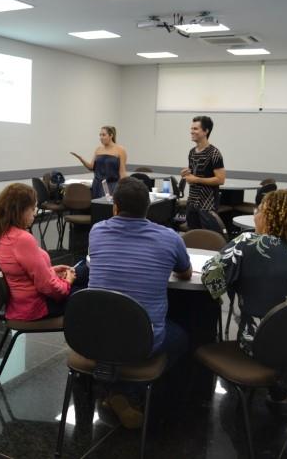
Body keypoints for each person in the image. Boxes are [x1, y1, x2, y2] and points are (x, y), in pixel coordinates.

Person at [201, 190, 287, 418]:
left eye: (259, 210)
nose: (255, 214)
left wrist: (235, 282)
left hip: (262, 344)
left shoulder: (247, 243)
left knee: (266, 324)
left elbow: (212, 281)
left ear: (270, 216)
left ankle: (277, 391)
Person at [88, 177, 192, 428]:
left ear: (114, 207)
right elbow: (185, 273)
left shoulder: (96, 231)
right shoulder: (170, 238)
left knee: (118, 326)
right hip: (142, 340)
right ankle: (128, 391)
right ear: (148, 208)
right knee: (180, 336)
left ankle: (109, 380)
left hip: (94, 335)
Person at [0, 183, 77, 320]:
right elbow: (47, 287)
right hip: (35, 307)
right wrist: (67, 283)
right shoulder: (22, 239)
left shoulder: (1, 232)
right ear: (20, 210)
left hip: (20, 303)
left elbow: (22, 272)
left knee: (82, 272)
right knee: (90, 293)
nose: (35, 213)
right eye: (33, 208)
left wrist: (50, 271)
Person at [180, 116, 226, 230]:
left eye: (195, 129)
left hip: (207, 204)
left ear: (206, 131)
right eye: (191, 128)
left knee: (208, 236)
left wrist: (196, 179)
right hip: (192, 202)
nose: (191, 131)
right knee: (193, 234)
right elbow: (193, 178)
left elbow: (220, 179)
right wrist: (187, 174)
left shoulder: (214, 153)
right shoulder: (192, 152)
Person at [70, 126, 127, 199]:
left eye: (104, 135)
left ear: (111, 135)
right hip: (97, 185)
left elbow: (122, 172)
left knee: (108, 204)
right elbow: (91, 167)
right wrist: (81, 159)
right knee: (96, 204)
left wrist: (124, 188)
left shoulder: (120, 150)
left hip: (111, 185)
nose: (101, 137)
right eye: (100, 135)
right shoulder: (98, 149)